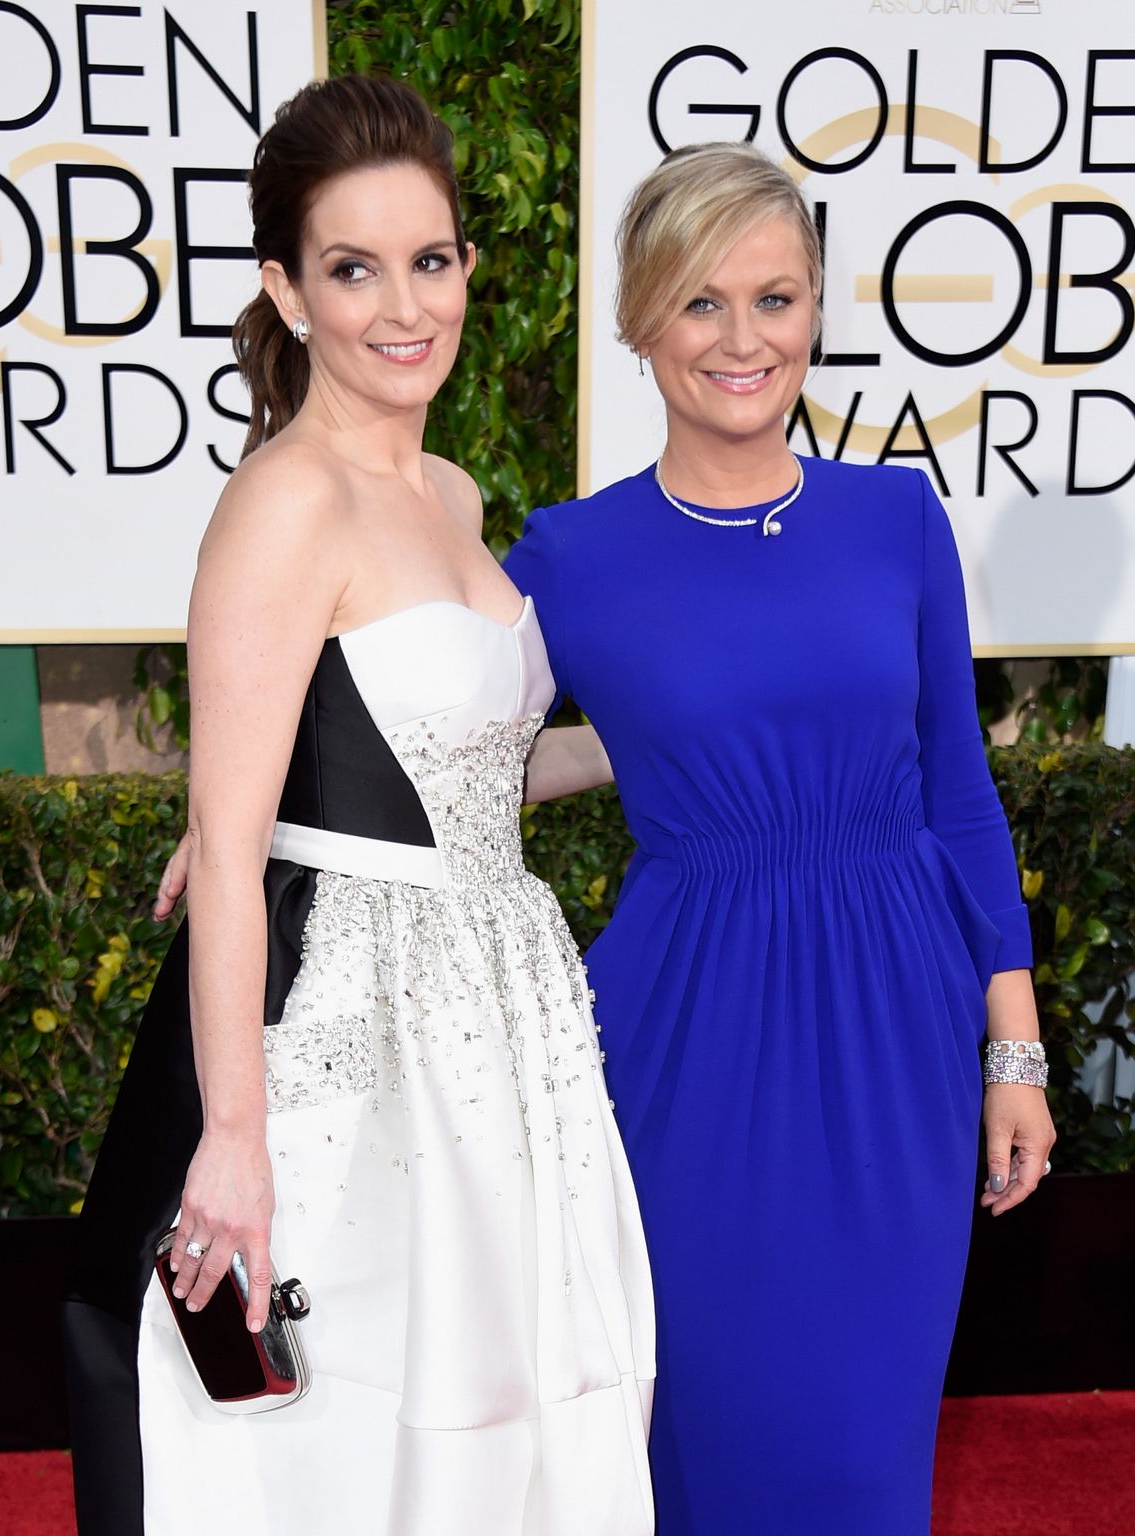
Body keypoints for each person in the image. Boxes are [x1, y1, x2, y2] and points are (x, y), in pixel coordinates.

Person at [62, 74, 654, 1536]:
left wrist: (667, 749)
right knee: (344, 1428)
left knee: (501, 1406)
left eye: (432, 259)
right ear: (287, 286)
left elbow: (467, 781)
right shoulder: (284, 502)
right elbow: (239, 837)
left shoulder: (448, 490)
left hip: (495, 1010)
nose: (407, 306)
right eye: (353, 267)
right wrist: (235, 1136)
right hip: (349, 1022)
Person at [501, 143, 1057, 1535]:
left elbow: (955, 790)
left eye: (775, 297)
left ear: (815, 309)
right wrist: (257, 810)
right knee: (697, 1433)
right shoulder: (571, 557)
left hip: (896, 1024)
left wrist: (1015, 1048)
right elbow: (443, 737)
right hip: (689, 1035)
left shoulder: (894, 519)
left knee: (863, 1457)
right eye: (700, 302)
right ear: (638, 322)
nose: (742, 340)